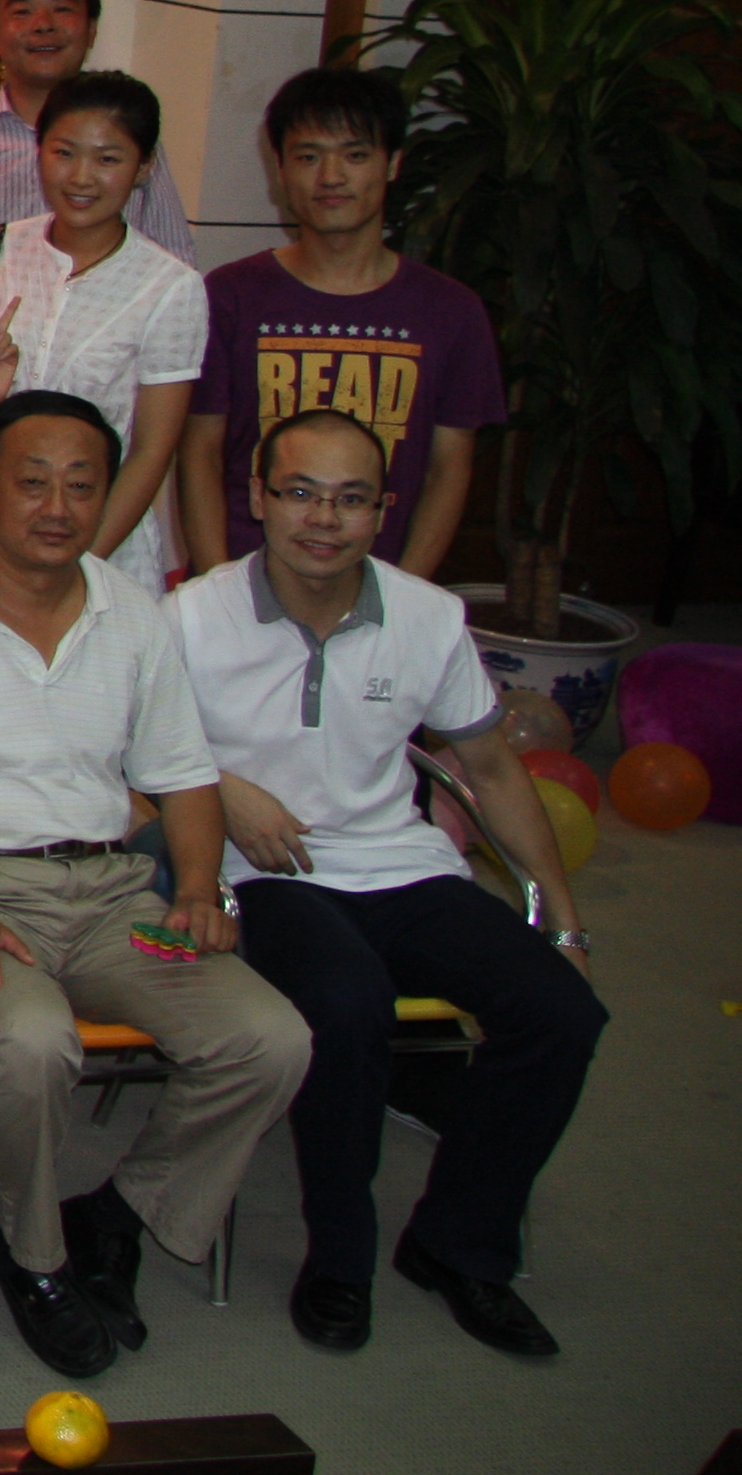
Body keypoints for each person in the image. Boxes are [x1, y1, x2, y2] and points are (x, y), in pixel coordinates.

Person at [0, 391, 311, 1383]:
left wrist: (199, 888)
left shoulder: (132, 616)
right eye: (33, 482)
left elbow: (183, 775)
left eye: (81, 486)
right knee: (30, 1041)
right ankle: (34, 1255)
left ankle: (118, 1215)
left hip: (114, 897)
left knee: (269, 1038)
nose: (57, 507)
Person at [171, 407, 601, 1359]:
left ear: (383, 511)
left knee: (562, 1011)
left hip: (401, 863)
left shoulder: (428, 616)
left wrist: (562, 924)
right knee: (347, 999)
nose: (323, 519)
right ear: (258, 498)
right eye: (300, 493)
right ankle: (341, 1256)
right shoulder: (192, 617)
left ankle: (458, 1246)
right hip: (264, 876)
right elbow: (129, 750)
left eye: (350, 499)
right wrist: (222, 787)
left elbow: (491, 769)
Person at [178, 64, 503, 581]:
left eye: (355, 155)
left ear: (392, 163)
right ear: (280, 169)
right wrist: (217, 589)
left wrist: (405, 597)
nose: (331, 177)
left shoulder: (451, 310)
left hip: (380, 582)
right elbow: (200, 453)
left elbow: (448, 469)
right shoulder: (229, 295)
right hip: (245, 579)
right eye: (309, 157)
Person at [0, 71, 203, 589]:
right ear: (39, 152)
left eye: (108, 159)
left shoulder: (170, 287)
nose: (82, 177)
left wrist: (77, 566)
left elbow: (151, 451)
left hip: (103, 554)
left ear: (144, 167)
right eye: (64, 153)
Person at [0, 0, 195, 285]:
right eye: (22, 12)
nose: (43, 24)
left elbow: (174, 262)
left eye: (62, 9)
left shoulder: (127, 140)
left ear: (91, 31)